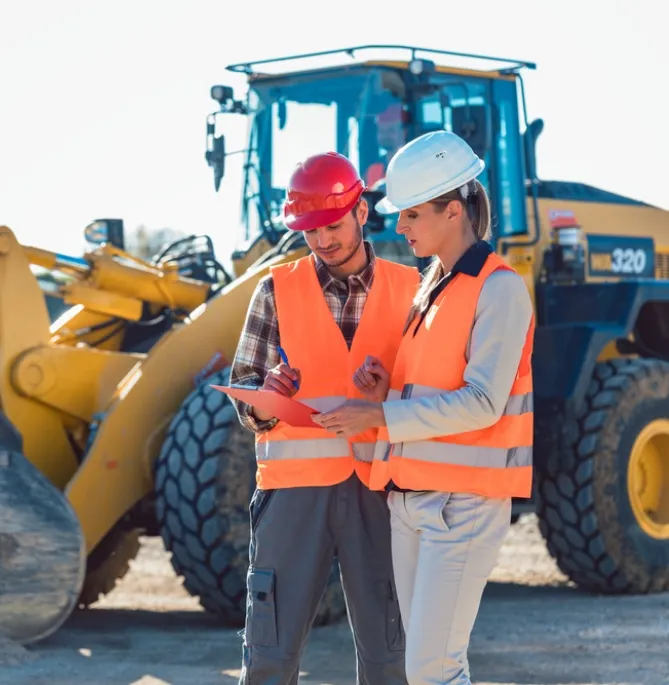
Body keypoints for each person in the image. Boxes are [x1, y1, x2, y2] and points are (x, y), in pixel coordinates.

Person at [312, 131, 535, 685]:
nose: (400, 226)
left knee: (433, 668)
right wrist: (386, 388)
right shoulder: (432, 286)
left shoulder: (499, 289)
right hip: (411, 499)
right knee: (427, 667)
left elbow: (483, 402)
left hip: (462, 506)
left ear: (453, 210)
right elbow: (433, 388)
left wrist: (381, 417)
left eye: (411, 214)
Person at [229, 150, 420, 685]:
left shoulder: (414, 291)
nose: (322, 240)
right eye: (311, 230)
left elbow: (433, 394)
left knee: (391, 657)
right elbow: (244, 386)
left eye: (333, 225)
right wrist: (263, 396)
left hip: (384, 488)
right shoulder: (274, 289)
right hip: (293, 494)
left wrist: (388, 396)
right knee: (269, 656)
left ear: (361, 211)